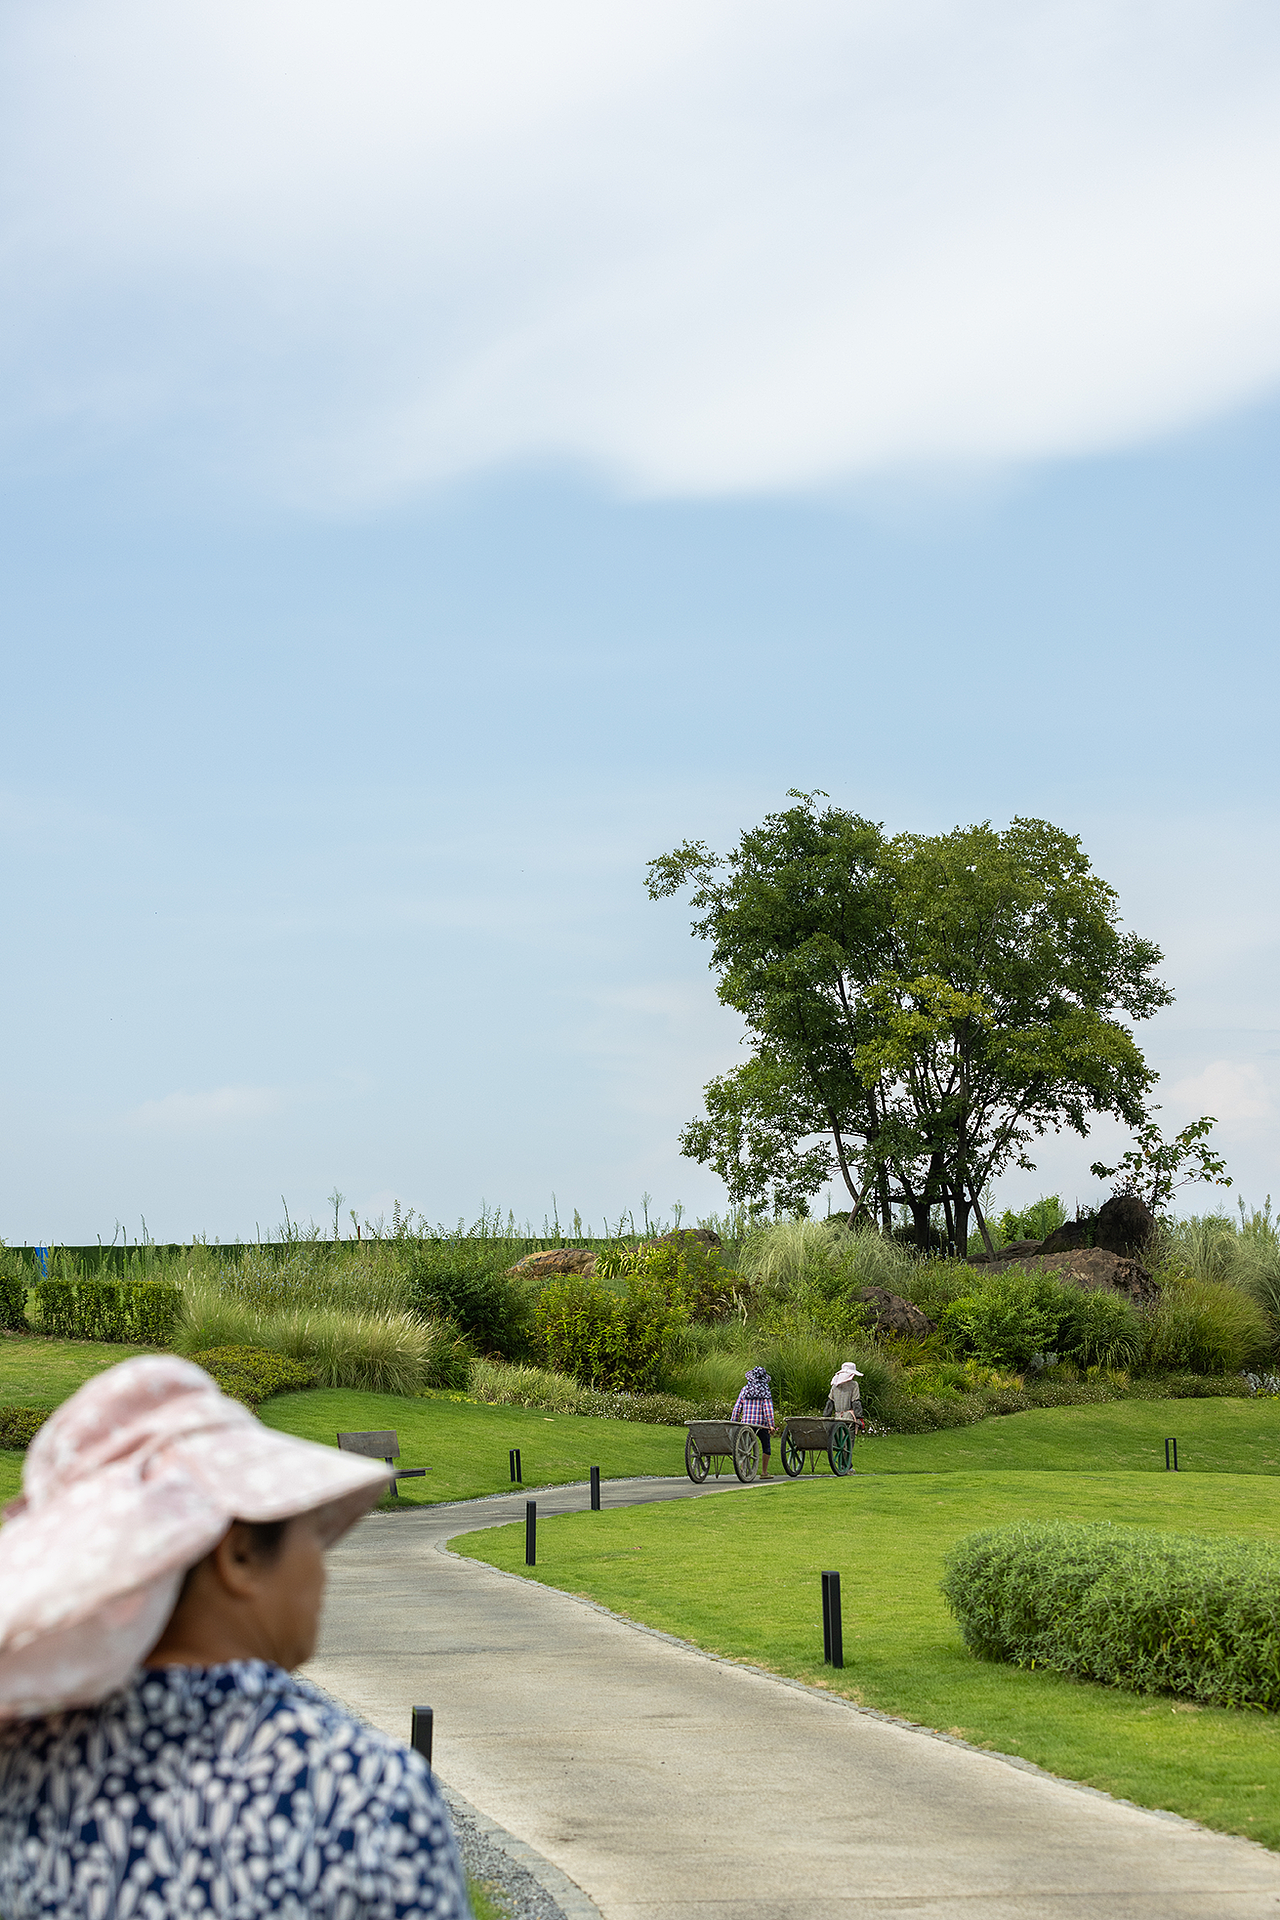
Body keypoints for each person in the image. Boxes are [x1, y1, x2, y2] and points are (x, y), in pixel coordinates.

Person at [0, 1354, 471, 1918]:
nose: (322, 1569)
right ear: (239, 1552)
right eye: (310, 1536)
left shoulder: (21, 1770)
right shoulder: (359, 1792)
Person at [730, 1365, 779, 1476]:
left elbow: (737, 1408)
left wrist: (733, 1422)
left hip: (746, 1424)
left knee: (744, 1447)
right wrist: (771, 1425)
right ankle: (764, 1472)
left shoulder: (745, 1390)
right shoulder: (765, 1391)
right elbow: (768, 1410)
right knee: (766, 1446)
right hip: (760, 1425)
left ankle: (743, 1470)